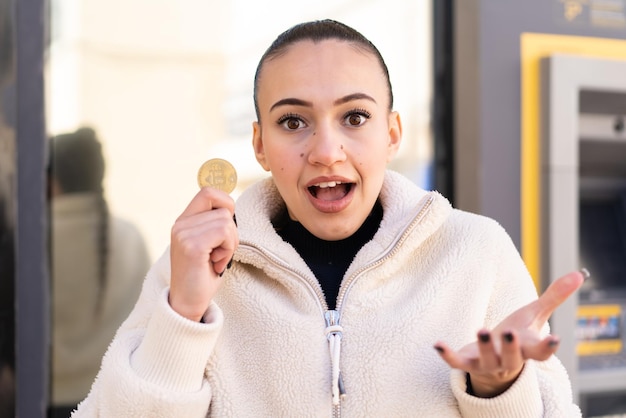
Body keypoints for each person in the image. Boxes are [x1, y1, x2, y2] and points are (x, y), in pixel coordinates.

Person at [72, 20, 585, 417]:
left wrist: (499, 391)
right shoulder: (194, 265)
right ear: (260, 145)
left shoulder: (476, 252)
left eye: (355, 117)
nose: (326, 150)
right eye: (292, 121)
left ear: (391, 132)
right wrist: (182, 314)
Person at [48, 128, 152, 418]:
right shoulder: (131, 236)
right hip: (116, 400)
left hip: (44, 399)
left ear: (50, 181)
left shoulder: (28, 242)